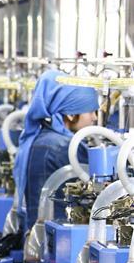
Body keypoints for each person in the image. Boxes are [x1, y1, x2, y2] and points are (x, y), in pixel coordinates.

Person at [13, 69, 99, 223]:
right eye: (91, 111)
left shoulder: (42, 138)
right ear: (71, 114)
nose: (94, 117)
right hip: (60, 236)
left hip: (39, 233)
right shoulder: (65, 148)